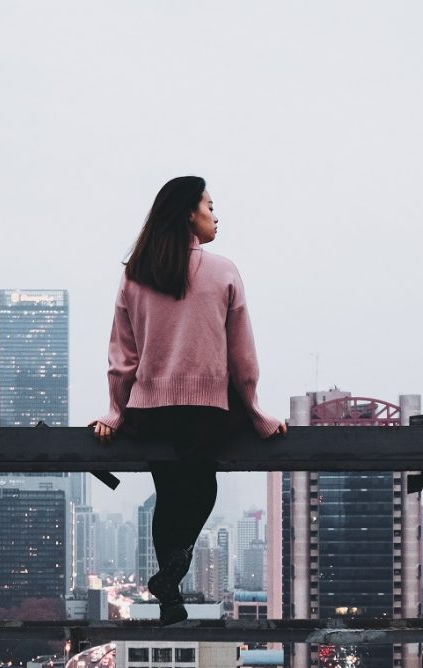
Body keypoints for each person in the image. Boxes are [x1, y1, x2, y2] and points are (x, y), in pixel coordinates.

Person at [93, 175, 286, 625]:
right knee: (202, 490)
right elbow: (243, 357)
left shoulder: (135, 274)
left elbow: (122, 356)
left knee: (168, 494)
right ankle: (169, 578)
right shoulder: (224, 270)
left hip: (150, 413)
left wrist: (115, 412)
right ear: (188, 214)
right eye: (209, 205)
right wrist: (256, 411)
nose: (215, 215)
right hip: (206, 412)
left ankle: (170, 596)